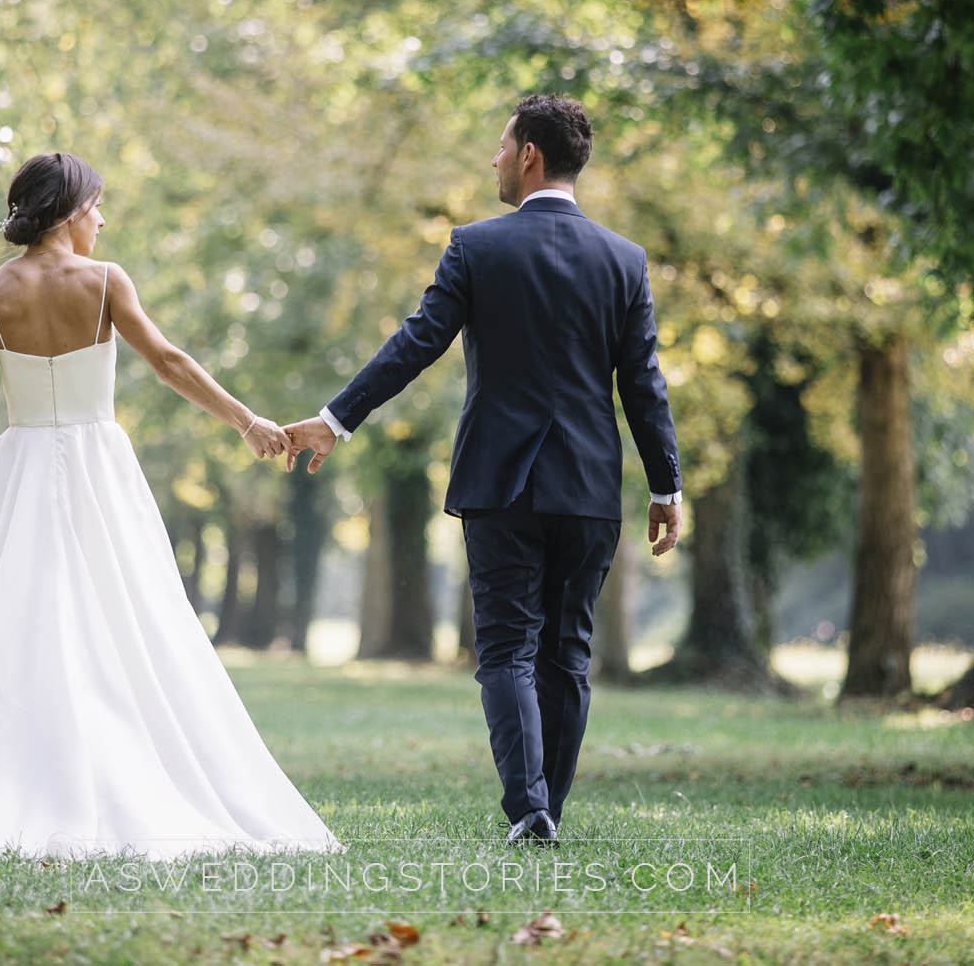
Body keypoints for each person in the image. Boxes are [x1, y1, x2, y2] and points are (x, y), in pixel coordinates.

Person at [0, 151, 339, 861]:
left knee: (14, 620)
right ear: (69, 210)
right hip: (96, 467)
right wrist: (247, 420)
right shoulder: (105, 282)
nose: (103, 220)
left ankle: (2, 768)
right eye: (97, 206)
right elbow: (168, 360)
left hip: (17, 467)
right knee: (123, 613)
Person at [284, 94, 683, 846]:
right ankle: (546, 811)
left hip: (502, 482)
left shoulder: (476, 246)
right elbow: (644, 382)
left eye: (501, 147)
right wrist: (666, 485)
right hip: (592, 486)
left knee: (506, 648)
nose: (493, 160)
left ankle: (529, 806)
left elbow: (416, 343)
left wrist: (336, 418)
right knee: (567, 652)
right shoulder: (624, 260)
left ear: (530, 153)